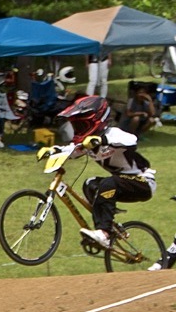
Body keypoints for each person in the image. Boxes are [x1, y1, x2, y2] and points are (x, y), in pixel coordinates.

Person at [53, 95, 156, 250]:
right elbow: (71, 151)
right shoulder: (88, 144)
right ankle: (104, 227)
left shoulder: (112, 134)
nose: (79, 130)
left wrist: (103, 141)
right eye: (78, 127)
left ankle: (104, 233)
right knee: (90, 184)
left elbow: (131, 140)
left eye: (82, 125)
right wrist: (53, 151)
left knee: (109, 183)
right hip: (121, 183)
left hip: (143, 182)